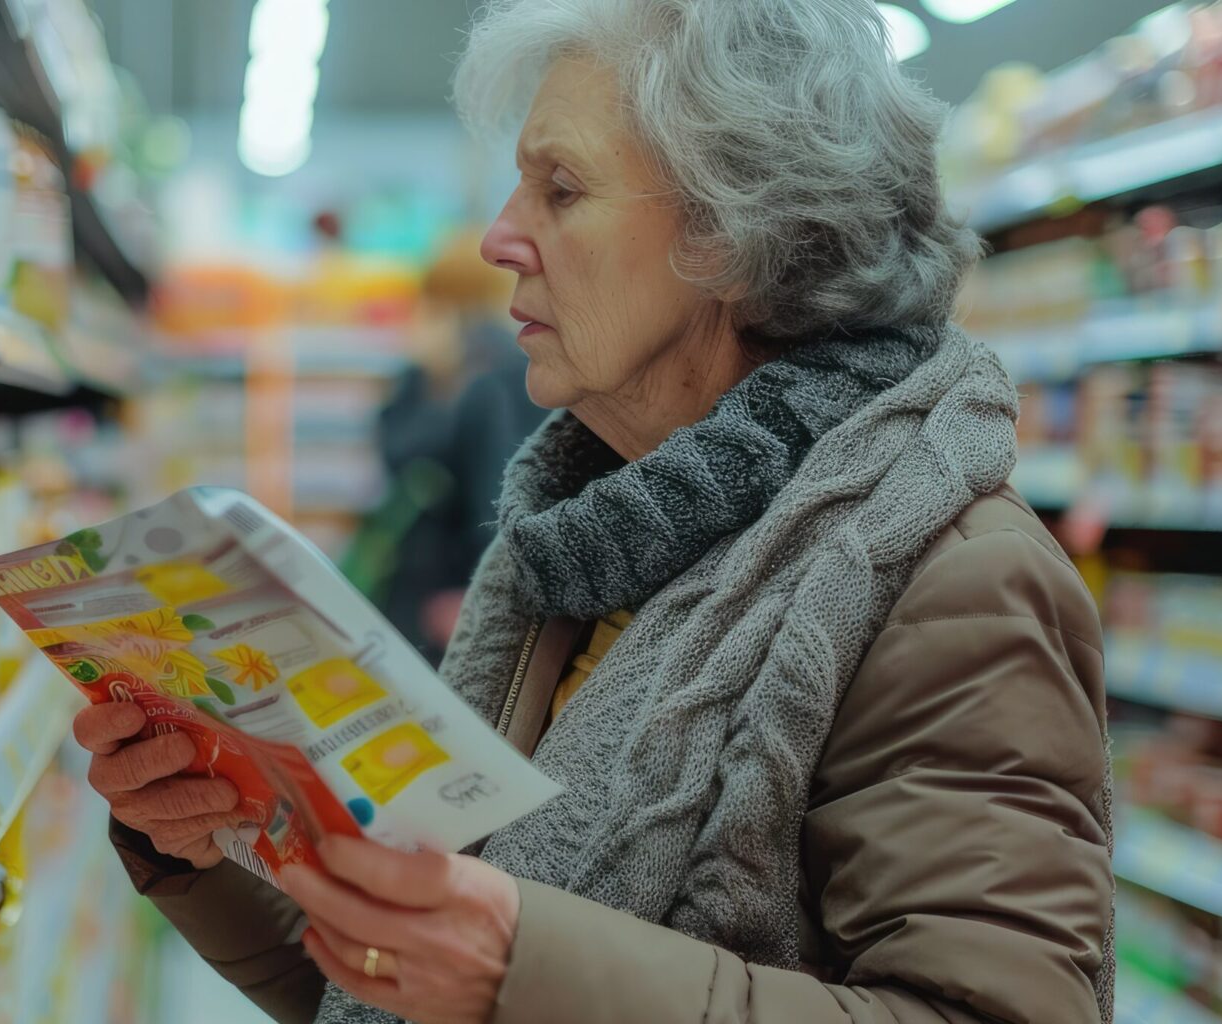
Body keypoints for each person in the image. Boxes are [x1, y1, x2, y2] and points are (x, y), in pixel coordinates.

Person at [76, 1, 1115, 1022]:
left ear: (735, 230)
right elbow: (408, 979)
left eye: (560, 189)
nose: (497, 238)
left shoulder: (956, 579)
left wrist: (520, 970)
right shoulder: (580, 542)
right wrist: (210, 843)